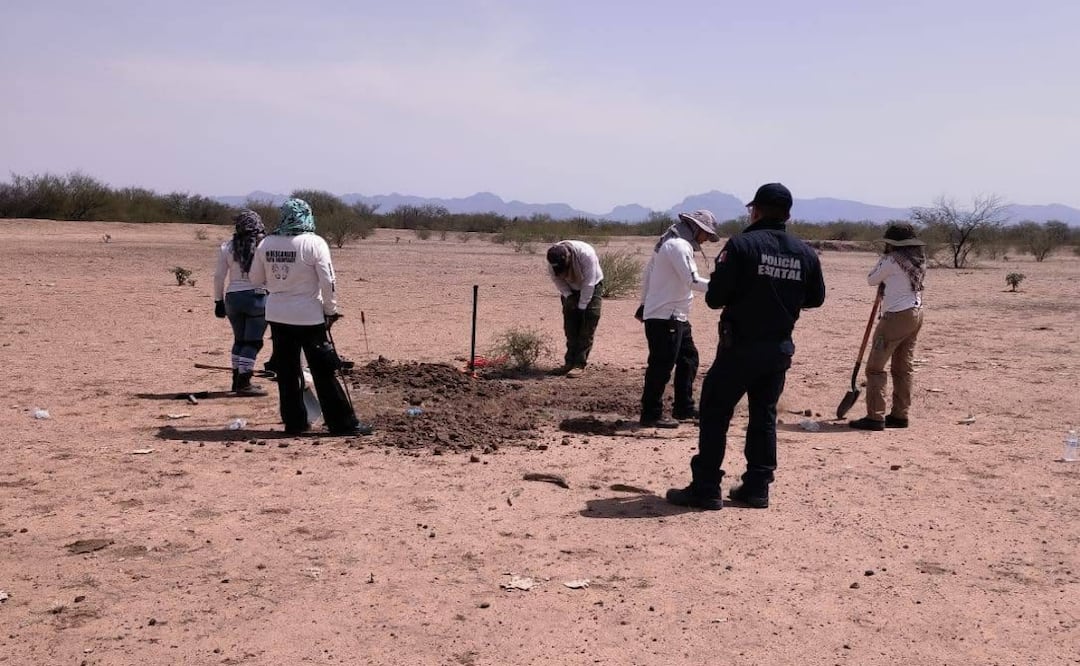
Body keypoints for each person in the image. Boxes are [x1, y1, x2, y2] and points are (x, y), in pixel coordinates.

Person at [666, 183, 826, 510]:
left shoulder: (741, 245)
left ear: (755, 210)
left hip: (739, 348)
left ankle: (707, 487)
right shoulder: (805, 252)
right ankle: (757, 488)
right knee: (763, 416)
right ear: (789, 215)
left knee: (715, 412)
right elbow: (816, 298)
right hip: (778, 348)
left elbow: (715, 298)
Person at [248, 198, 372, 436]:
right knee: (323, 371)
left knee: (287, 371)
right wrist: (330, 310)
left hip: (277, 314)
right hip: (308, 316)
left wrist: (279, 284)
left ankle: (295, 423)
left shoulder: (266, 243)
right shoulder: (315, 243)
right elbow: (328, 281)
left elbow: (255, 279)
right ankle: (342, 424)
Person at [635, 209, 720, 428]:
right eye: (706, 235)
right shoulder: (678, 245)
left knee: (688, 359)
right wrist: (723, 290)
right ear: (697, 229)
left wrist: (644, 304)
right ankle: (651, 413)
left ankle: (684, 407)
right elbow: (692, 280)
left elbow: (649, 273)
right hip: (666, 316)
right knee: (661, 366)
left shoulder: (672, 243)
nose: (706, 240)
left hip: (675, 315)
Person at [848, 222, 926, 431]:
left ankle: (875, 416)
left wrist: (883, 260)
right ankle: (900, 415)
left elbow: (871, 280)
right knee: (902, 368)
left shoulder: (891, 261)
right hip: (915, 314)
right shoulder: (919, 260)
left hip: (895, 317)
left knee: (875, 368)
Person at [212, 210, 269, 395]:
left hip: (233, 298)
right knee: (253, 342)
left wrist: (218, 301)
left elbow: (219, 277)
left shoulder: (227, 247)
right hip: (257, 298)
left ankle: (236, 381)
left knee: (239, 340)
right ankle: (245, 382)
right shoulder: (263, 246)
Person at [546, 240, 604, 378]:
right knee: (570, 327)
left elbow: (589, 283)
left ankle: (579, 364)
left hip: (592, 286)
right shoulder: (552, 259)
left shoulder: (586, 254)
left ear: (568, 257)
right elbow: (558, 280)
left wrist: (582, 306)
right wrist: (569, 296)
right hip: (570, 289)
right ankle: (569, 362)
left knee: (587, 324)